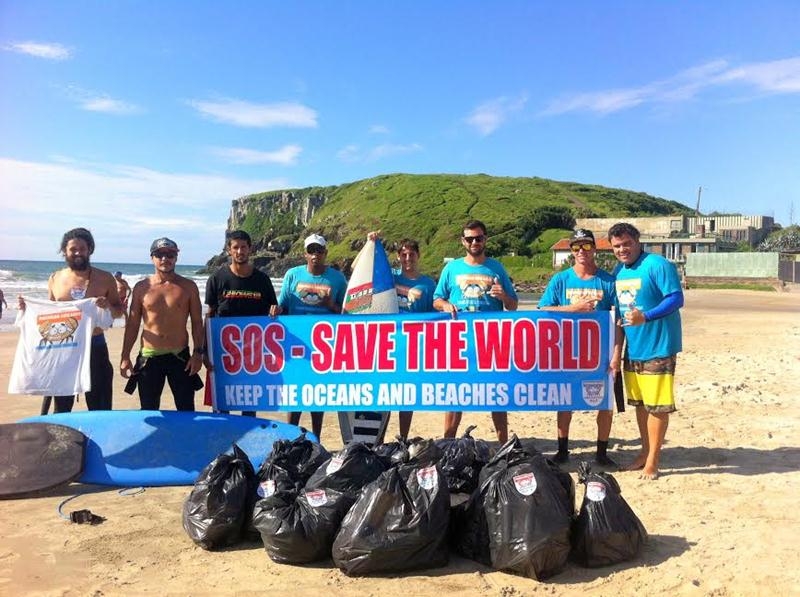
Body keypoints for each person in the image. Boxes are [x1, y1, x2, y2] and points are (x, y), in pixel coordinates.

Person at [538, 228, 623, 467]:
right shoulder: (561, 280)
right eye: (576, 247)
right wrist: (572, 309)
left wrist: (616, 355)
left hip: (600, 353)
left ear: (594, 248)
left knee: (605, 404)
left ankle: (601, 452)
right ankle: (563, 449)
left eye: (586, 246)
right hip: (567, 352)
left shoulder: (608, 281)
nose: (581, 251)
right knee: (565, 401)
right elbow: (543, 310)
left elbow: (618, 321)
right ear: (571, 251)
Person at [608, 222, 684, 480]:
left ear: (638, 241)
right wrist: (617, 353)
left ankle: (653, 461)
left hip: (659, 346)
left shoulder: (658, 265)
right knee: (640, 405)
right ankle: (643, 453)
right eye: (617, 246)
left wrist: (647, 316)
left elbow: (675, 298)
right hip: (634, 349)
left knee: (657, 407)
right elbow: (618, 315)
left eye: (626, 244)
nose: (622, 249)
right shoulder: (619, 271)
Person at [433, 219, 518, 443]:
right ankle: (447, 442)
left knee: (496, 394)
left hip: (490, 341)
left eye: (478, 238)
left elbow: (513, 305)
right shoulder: (451, 268)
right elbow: (436, 299)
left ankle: (502, 444)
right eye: (469, 238)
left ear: (485, 239)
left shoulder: (496, 267)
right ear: (463, 241)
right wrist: (446, 305)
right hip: (459, 341)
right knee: (456, 394)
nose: (474, 242)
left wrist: (504, 297)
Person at [30, 227, 124, 414]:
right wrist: (28, 309)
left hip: (95, 348)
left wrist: (108, 308)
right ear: (65, 251)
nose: (78, 252)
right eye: (73, 249)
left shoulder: (105, 278)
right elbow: (48, 315)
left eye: (83, 248)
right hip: (63, 350)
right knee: (62, 409)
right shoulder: (55, 278)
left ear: (90, 249)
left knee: (100, 408)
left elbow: (119, 311)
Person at [271, 233, 347, 439]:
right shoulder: (292, 275)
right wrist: (276, 310)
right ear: (305, 254)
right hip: (296, 343)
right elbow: (283, 305)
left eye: (319, 250)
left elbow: (349, 315)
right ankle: (290, 436)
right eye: (311, 250)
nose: (315, 255)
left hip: (324, 345)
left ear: (325, 253)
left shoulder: (337, 279)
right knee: (295, 393)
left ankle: (317, 438)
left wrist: (331, 306)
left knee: (317, 395)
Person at [120, 238, 204, 411]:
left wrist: (197, 354)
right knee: (150, 410)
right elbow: (133, 324)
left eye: (170, 254)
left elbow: (197, 322)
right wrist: (125, 356)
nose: (165, 259)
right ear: (152, 257)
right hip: (149, 358)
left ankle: (185, 439)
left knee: (186, 411)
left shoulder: (188, 286)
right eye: (160, 254)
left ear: (176, 257)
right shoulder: (141, 287)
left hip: (180, 358)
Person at [368, 231, 437, 439]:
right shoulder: (390, 278)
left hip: (413, 347)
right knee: (385, 393)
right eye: (404, 255)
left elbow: (435, 317)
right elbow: (364, 273)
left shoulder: (428, 284)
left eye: (411, 254)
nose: (408, 258)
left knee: (406, 395)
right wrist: (371, 244)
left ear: (418, 256)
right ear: (398, 256)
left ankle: (403, 438)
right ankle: (379, 437)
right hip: (387, 345)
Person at [205, 230, 278, 416]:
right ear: (229, 250)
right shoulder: (217, 278)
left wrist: (276, 311)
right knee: (222, 405)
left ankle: (247, 444)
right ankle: (224, 443)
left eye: (243, 247)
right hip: (223, 351)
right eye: (235, 247)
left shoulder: (262, 280)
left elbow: (274, 311)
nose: (239, 251)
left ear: (250, 249)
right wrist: (205, 350)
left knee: (249, 404)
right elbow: (210, 315)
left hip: (253, 354)